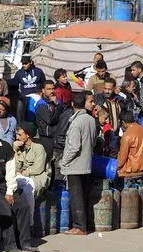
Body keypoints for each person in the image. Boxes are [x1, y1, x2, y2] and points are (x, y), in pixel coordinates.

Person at [0, 121, 37, 252]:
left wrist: (10, 191)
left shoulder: (5, 147)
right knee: (5, 211)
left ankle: (25, 243)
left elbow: (11, 171)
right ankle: (10, 246)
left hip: (5, 185)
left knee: (23, 207)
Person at [61, 92, 97, 235]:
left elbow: (74, 147)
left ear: (72, 105)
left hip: (75, 165)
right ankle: (84, 224)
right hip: (87, 163)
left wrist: (64, 161)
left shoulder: (76, 123)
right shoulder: (90, 120)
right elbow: (93, 141)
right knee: (84, 195)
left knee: (76, 197)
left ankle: (79, 226)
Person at [14, 123, 50, 224]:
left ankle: (29, 221)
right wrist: (15, 151)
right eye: (17, 135)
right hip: (24, 176)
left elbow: (38, 169)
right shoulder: (20, 148)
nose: (17, 137)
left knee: (27, 191)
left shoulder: (38, 148)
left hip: (39, 177)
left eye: (20, 135)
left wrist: (23, 172)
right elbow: (16, 167)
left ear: (28, 135)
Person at [10, 55, 46, 122]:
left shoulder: (39, 71)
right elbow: (14, 85)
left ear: (30, 62)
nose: (24, 65)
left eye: (26, 63)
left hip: (36, 96)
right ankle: (20, 125)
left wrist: (41, 93)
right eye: (23, 63)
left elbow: (44, 84)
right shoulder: (19, 73)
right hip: (24, 97)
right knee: (19, 105)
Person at [35, 80, 65, 160]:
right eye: (48, 89)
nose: (51, 91)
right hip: (46, 138)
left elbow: (63, 117)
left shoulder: (58, 102)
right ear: (43, 90)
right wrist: (56, 107)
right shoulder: (41, 104)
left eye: (53, 89)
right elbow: (49, 121)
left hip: (57, 137)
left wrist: (57, 105)